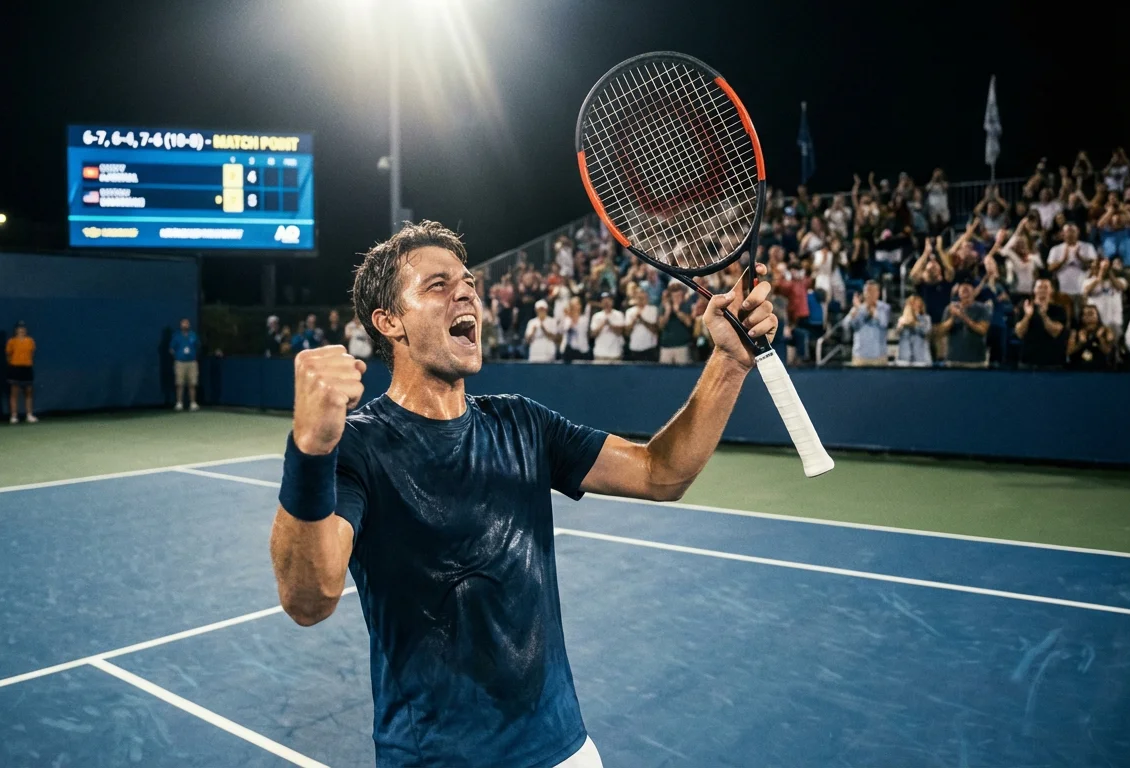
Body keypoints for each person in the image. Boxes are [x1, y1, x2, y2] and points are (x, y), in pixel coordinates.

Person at [270, 220, 777, 768]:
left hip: (565, 751)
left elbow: (660, 472)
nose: (465, 291)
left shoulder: (522, 423)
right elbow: (307, 599)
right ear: (389, 321)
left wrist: (728, 362)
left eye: (467, 282)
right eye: (437, 285)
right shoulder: (359, 447)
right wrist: (311, 448)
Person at [1014, 278, 1070, 369]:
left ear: (1051, 290)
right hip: (1028, 361)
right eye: (1039, 287)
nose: (1042, 290)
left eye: (1046, 287)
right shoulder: (1024, 308)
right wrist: (1027, 316)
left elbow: (1055, 332)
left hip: (1052, 362)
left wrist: (1044, 315)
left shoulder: (1059, 310)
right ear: (1034, 290)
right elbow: (1019, 333)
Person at [937, 282, 991, 368]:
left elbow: (982, 330)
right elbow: (941, 332)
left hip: (976, 361)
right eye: (962, 288)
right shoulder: (950, 309)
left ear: (974, 291)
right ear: (958, 292)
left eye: (968, 287)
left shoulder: (982, 308)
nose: (965, 288)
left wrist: (963, 317)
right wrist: (953, 317)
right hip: (953, 360)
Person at [842, 280, 889, 366]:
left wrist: (860, 308)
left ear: (878, 293)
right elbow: (846, 325)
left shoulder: (884, 308)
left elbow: (884, 323)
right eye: (867, 291)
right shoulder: (857, 308)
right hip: (860, 356)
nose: (869, 294)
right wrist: (853, 313)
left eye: (872, 291)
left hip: (879, 357)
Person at [5, 321, 37, 424]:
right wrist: (14, 364)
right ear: (16, 330)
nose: (21, 330)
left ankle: (29, 415)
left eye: (23, 328)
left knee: (28, 393)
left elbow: (32, 353)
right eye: (19, 328)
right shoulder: (11, 341)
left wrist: (26, 362)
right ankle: (14, 416)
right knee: (14, 393)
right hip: (15, 368)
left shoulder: (30, 341)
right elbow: (8, 355)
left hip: (27, 369)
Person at [1067, 304, 1116, 370]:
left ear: (1097, 316)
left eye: (1091, 314)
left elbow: (1108, 352)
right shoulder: (1075, 332)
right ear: (1081, 317)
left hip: (1101, 370)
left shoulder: (1106, 331)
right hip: (1079, 369)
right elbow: (1068, 352)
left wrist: (1100, 339)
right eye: (1085, 314)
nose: (1088, 317)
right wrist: (1080, 343)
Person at [656, 283, 694, 364]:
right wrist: (667, 312)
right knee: (664, 372)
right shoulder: (664, 306)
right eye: (675, 296)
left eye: (679, 296)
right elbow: (660, 326)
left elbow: (689, 323)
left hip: (682, 346)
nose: (677, 298)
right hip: (666, 346)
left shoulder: (686, 305)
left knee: (682, 373)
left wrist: (677, 311)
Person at [170, 317, 200, 411]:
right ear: (180, 325)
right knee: (179, 384)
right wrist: (178, 356)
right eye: (183, 323)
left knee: (192, 384)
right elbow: (171, 349)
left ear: (189, 325)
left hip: (192, 363)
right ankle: (179, 403)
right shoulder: (176, 336)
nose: (185, 325)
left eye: (186, 323)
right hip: (180, 363)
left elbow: (198, 346)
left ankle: (193, 403)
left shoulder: (193, 335)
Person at [895, 295, 932, 366]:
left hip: (921, 359)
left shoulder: (926, 319)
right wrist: (901, 325)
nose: (915, 307)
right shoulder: (902, 319)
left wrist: (914, 323)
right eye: (912, 304)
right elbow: (897, 334)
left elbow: (926, 332)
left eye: (917, 305)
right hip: (904, 358)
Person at [589, 291, 626, 362]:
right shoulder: (596, 316)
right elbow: (593, 334)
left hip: (615, 353)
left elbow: (620, 332)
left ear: (612, 302)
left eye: (608, 300)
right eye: (604, 300)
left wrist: (610, 324)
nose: (606, 302)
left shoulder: (619, 315)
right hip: (600, 354)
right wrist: (602, 324)